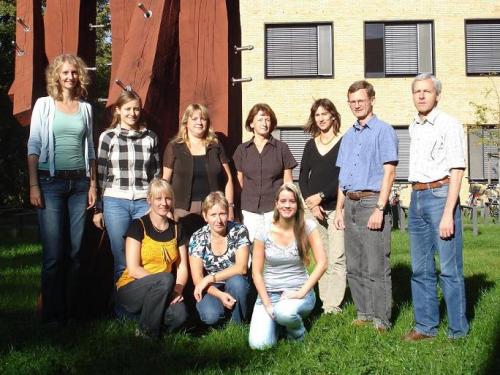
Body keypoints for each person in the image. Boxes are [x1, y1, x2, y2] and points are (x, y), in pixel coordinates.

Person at [27, 54, 96, 326]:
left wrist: (93, 185)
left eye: (74, 73)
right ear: (57, 76)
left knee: (76, 252)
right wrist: (33, 185)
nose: (70, 77)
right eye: (65, 73)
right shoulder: (44, 105)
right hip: (50, 184)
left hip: (80, 184)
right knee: (54, 254)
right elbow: (33, 146)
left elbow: (89, 149)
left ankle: (71, 312)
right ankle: (52, 314)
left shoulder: (86, 109)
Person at [403, 74, 469, 341]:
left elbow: (457, 169)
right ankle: (425, 327)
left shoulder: (448, 124)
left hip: (441, 196)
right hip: (417, 197)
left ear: (437, 95)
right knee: (420, 269)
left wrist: (448, 214)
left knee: (450, 270)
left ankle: (457, 331)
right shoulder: (413, 126)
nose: (421, 96)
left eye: (426, 91)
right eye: (417, 91)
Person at [334, 80, 398, 332]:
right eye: (352, 101)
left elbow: (389, 172)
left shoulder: (384, 130)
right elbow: (343, 177)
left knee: (376, 265)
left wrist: (380, 209)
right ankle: (364, 312)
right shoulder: (348, 136)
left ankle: (381, 319)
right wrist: (339, 209)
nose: (357, 105)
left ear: (371, 99)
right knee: (355, 264)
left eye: (361, 100)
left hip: (372, 202)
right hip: (350, 204)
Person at [248, 183, 327, 349]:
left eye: (292, 201)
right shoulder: (263, 230)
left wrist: (301, 293)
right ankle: (279, 323)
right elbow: (256, 272)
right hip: (269, 294)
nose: (287, 205)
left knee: (285, 312)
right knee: (259, 345)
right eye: (283, 201)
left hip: (299, 293)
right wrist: (268, 304)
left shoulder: (308, 227)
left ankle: (298, 335)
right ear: (276, 203)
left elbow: (322, 263)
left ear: (298, 204)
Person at [93, 90, 160, 283]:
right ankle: (122, 307)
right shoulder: (108, 137)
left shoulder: (150, 138)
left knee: (142, 253)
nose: (132, 113)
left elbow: (156, 175)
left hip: (142, 201)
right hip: (115, 201)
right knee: (121, 254)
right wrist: (98, 209)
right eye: (128, 109)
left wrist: (156, 204)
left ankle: (142, 301)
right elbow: (100, 175)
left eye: (136, 109)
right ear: (118, 110)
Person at [116, 179, 189, 338]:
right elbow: (134, 269)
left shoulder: (177, 228)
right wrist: (165, 283)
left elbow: (182, 267)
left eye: (168, 198)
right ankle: (146, 332)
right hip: (133, 287)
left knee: (180, 316)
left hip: (165, 287)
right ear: (149, 200)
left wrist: (177, 290)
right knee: (165, 278)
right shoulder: (138, 226)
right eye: (158, 198)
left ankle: (148, 320)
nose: (164, 203)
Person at [299, 98, 346, 314]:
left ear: (333, 116)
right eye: (317, 115)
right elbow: (302, 177)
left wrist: (321, 196)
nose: (320, 119)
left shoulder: (344, 142)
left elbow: (343, 177)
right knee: (322, 257)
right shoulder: (310, 144)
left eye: (324, 114)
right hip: (313, 210)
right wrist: (311, 202)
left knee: (337, 257)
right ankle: (323, 300)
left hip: (336, 208)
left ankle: (332, 305)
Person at [162, 104, 234, 236]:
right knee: (185, 248)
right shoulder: (174, 147)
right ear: (186, 122)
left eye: (203, 119)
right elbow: (165, 182)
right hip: (182, 210)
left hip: (213, 208)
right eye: (194, 118)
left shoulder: (215, 145)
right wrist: (166, 209)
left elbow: (228, 179)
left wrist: (229, 207)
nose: (199, 122)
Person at [233, 103, 297, 242]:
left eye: (268, 119)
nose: (264, 123)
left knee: (274, 248)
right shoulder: (242, 150)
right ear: (251, 123)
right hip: (248, 210)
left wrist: (289, 205)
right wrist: (235, 208)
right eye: (260, 119)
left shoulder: (282, 148)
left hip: (274, 209)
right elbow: (239, 183)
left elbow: (288, 182)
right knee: (249, 249)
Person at [189, 191, 251, 326]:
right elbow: (197, 278)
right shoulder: (197, 237)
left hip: (235, 280)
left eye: (222, 214)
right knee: (210, 316)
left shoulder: (239, 230)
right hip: (211, 287)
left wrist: (210, 277)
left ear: (228, 213)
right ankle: (224, 310)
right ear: (205, 216)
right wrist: (220, 295)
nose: (218, 220)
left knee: (237, 283)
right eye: (213, 215)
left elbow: (242, 267)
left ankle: (237, 326)